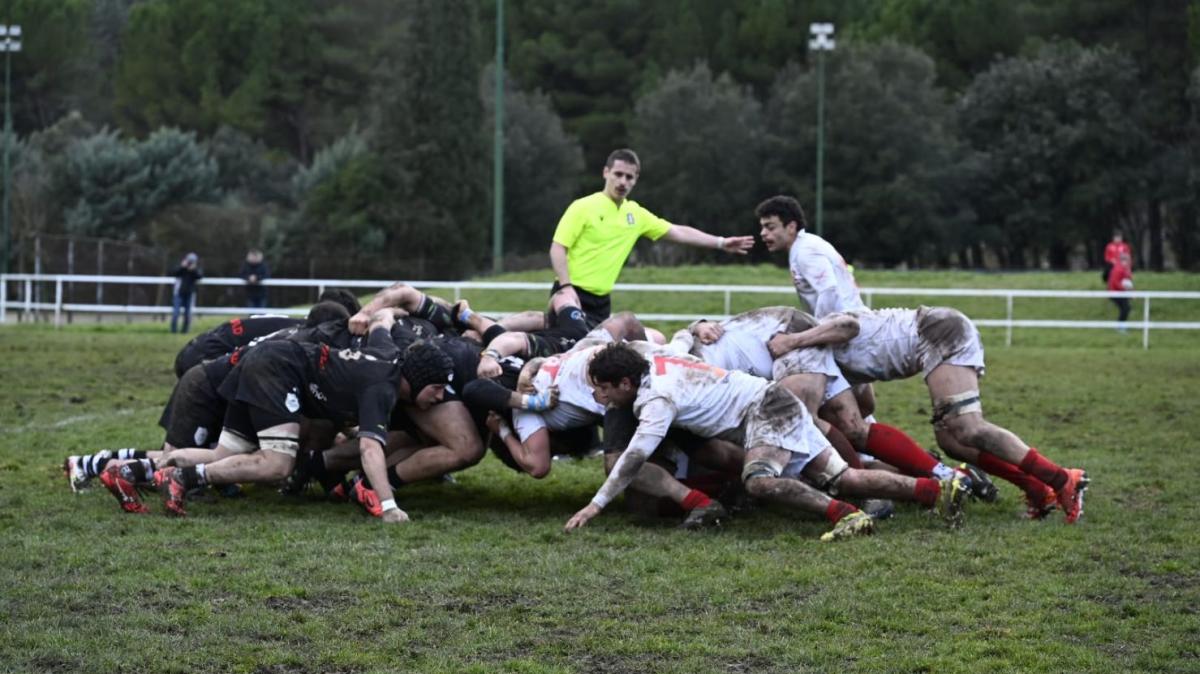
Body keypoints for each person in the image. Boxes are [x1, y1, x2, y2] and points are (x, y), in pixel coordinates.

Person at [563, 343, 972, 539]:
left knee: (757, 479)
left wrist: (594, 505)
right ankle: (938, 489)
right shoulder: (651, 359)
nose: (599, 398)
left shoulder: (655, 400)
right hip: (773, 402)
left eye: (602, 389)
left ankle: (845, 515)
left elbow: (634, 457)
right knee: (843, 476)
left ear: (626, 382)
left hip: (766, 410)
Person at [768, 306, 1089, 522]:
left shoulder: (811, 279)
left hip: (937, 332)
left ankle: (1062, 479)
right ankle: (1037, 490)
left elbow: (847, 323)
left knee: (968, 428)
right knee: (952, 441)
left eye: (771, 226)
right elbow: (865, 408)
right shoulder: (822, 357)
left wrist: (791, 341)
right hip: (933, 336)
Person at [550, 148, 755, 327]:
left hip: (602, 301)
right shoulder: (583, 206)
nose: (623, 181)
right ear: (606, 173)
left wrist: (721, 242)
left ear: (635, 180)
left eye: (629, 177)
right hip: (570, 293)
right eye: (618, 174)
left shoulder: (636, 214)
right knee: (563, 347)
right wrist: (566, 288)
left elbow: (678, 232)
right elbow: (558, 248)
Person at [170, 253, 203, 334]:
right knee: (176, 313)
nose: (190, 263)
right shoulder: (181, 267)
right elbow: (173, 273)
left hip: (190, 293)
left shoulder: (196, 268)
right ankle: (173, 331)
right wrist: (182, 267)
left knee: (187, 314)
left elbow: (200, 276)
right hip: (179, 293)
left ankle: (185, 331)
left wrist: (193, 270)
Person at [1108, 252, 1133, 332]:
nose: (1129, 262)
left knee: (1126, 309)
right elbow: (1115, 282)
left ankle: (1120, 326)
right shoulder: (1118, 269)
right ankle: (1120, 327)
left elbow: (1128, 281)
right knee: (1125, 308)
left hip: (1120, 292)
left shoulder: (1124, 268)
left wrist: (1130, 292)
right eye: (1128, 260)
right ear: (1123, 260)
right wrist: (1125, 290)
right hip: (1115, 293)